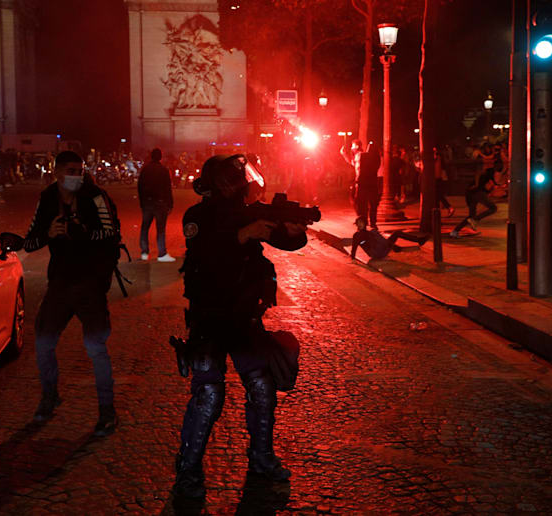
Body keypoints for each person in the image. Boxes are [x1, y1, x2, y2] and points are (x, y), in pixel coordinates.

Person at [173, 154, 307, 499]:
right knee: (208, 393)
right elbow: (204, 253)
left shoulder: (248, 213)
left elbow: (288, 239)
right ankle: (188, 470)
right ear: (225, 183)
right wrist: (243, 235)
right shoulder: (197, 216)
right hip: (209, 318)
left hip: (244, 317)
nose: (245, 185)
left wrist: (293, 229)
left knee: (262, 386)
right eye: (238, 180)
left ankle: (261, 458)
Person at [23, 151, 121, 436]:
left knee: (96, 347)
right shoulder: (47, 198)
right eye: (70, 171)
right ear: (56, 172)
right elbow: (29, 242)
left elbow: (111, 233)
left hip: (91, 284)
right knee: (43, 342)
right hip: (60, 283)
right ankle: (49, 396)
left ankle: (107, 411)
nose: (76, 176)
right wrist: (49, 234)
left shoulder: (95, 196)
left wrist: (83, 232)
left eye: (80, 171)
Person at [138, 148, 175, 262]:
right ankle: (162, 253)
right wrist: (170, 204)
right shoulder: (163, 170)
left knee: (145, 228)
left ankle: (144, 252)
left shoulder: (145, 170)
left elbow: (140, 187)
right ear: (160, 157)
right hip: (160, 203)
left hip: (147, 203)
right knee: (160, 229)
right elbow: (168, 188)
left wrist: (142, 202)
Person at [340, 139, 381, 230]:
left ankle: (363, 224)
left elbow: (354, 163)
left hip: (362, 184)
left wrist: (344, 154)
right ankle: (373, 223)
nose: (351, 148)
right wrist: (344, 154)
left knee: (362, 205)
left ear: (357, 146)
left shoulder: (359, 155)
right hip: (373, 183)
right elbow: (354, 163)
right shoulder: (374, 159)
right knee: (372, 205)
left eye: (353, 146)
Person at [450, 165, 497, 237]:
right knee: (493, 208)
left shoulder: (482, 176)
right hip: (476, 193)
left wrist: (490, 190)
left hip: (470, 194)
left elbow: (482, 188)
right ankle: (475, 219)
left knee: (471, 216)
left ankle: (455, 231)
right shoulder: (487, 175)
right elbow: (482, 188)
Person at [350, 217, 429, 260]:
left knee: (397, 233)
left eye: (361, 222)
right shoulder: (357, 235)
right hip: (376, 253)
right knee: (374, 232)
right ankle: (393, 246)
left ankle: (419, 240)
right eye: (358, 223)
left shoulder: (368, 232)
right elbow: (354, 247)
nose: (360, 224)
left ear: (365, 224)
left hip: (382, 249)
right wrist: (353, 257)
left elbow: (379, 239)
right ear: (356, 225)